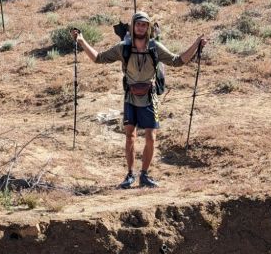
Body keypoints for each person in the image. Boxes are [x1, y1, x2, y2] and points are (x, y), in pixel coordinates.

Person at [72, 12, 206, 189]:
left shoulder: (155, 47)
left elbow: (177, 61)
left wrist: (196, 44)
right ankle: (130, 175)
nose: (141, 28)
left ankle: (144, 175)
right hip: (130, 97)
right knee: (130, 136)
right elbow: (99, 58)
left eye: (144, 25)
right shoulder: (123, 48)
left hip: (150, 97)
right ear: (133, 26)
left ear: (148, 27)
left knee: (151, 137)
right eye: (138, 24)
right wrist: (82, 41)